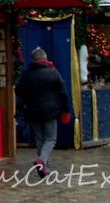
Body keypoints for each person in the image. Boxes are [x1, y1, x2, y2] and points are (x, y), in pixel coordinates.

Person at [15, 47, 71, 178]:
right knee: (51, 138)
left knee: (40, 139)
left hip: (33, 111)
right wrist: (65, 111)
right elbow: (63, 93)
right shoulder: (53, 72)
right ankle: (42, 160)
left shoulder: (27, 74)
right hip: (50, 111)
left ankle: (44, 167)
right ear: (45, 58)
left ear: (33, 59)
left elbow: (19, 91)